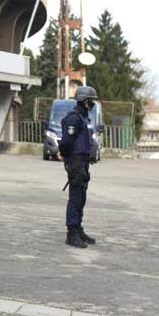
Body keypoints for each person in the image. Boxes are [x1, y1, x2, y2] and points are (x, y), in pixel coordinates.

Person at [59, 85, 98, 248]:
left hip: (82, 163)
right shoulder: (74, 118)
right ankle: (71, 233)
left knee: (81, 198)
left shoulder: (83, 118)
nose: (92, 104)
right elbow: (67, 142)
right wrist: (66, 156)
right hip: (75, 162)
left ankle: (78, 228)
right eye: (91, 101)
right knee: (75, 198)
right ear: (84, 101)